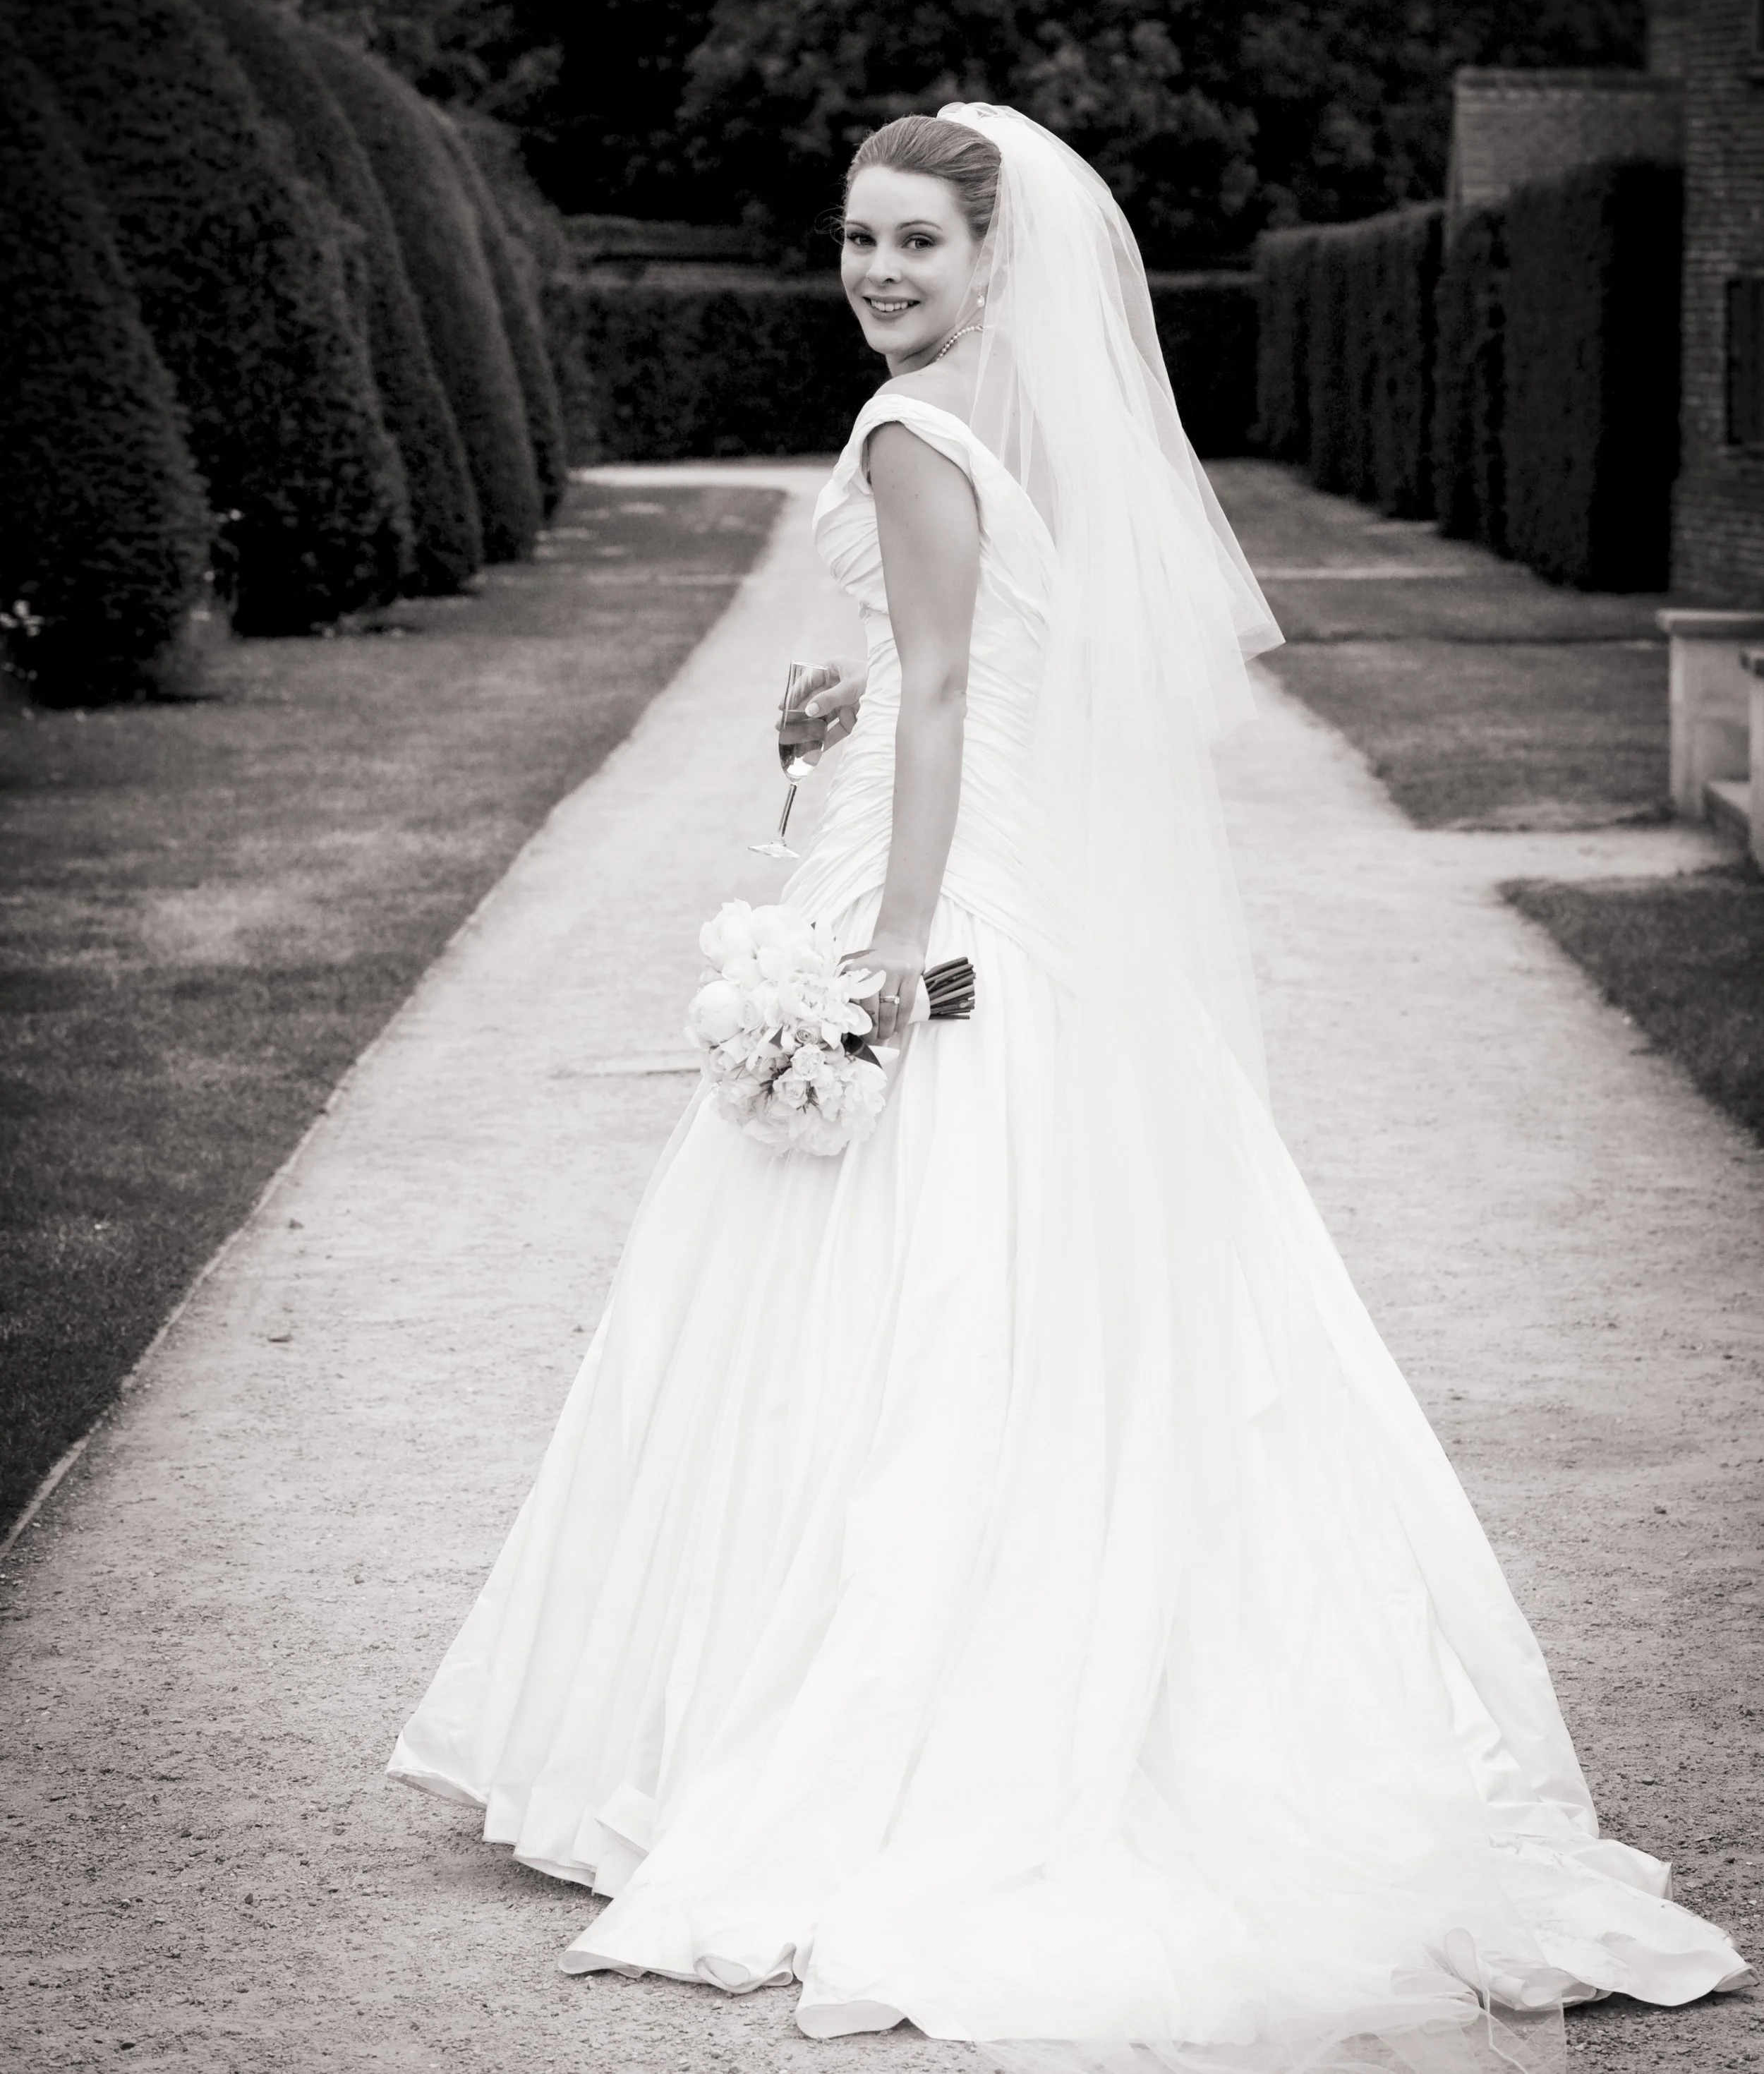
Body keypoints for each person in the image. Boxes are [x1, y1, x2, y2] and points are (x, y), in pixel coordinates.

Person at [388, 107, 1747, 2071]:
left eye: (916, 244)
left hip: (951, 913)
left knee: (898, 1300)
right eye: (858, 236)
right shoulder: (999, 436)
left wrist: (891, 948)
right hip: (995, 888)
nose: (876, 271)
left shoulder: (910, 434)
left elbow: (951, 700)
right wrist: (813, 738)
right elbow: (948, 669)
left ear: (987, 261)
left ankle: (833, 1733)